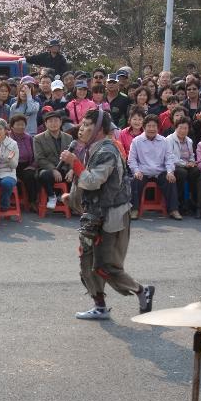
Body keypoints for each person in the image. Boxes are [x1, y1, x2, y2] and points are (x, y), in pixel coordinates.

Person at [64, 108, 154, 321]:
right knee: (86, 263)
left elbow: (94, 181)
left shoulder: (107, 150)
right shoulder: (89, 148)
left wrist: (74, 163)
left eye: (87, 125)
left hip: (111, 216)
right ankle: (100, 306)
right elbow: (86, 184)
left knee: (106, 266)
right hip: (93, 215)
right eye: (82, 124)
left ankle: (142, 291)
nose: (82, 129)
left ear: (99, 129)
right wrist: (73, 198)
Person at [126, 114, 179, 218]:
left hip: (159, 172)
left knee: (171, 180)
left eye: (154, 126)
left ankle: (173, 210)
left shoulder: (164, 141)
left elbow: (169, 158)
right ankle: (134, 209)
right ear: (144, 127)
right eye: (149, 126)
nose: (151, 129)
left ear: (158, 128)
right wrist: (136, 171)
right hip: (143, 172)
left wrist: (170, 171)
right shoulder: (137, 141)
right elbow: (131, 160)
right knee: (134, 181)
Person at [32, 109, 74, 210]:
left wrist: (71, 169)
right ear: (45, 124)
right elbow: (40, 158)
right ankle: (52, 196)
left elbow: (73, 155)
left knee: (79, 174)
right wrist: (53, 170)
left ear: (60, 122)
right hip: (48, 169)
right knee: (44, 174)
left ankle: (73, 202)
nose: (53, 123)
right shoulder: (38, 138)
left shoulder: (69, 137)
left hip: (64, 170)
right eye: (50, 121)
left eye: (56, 121)